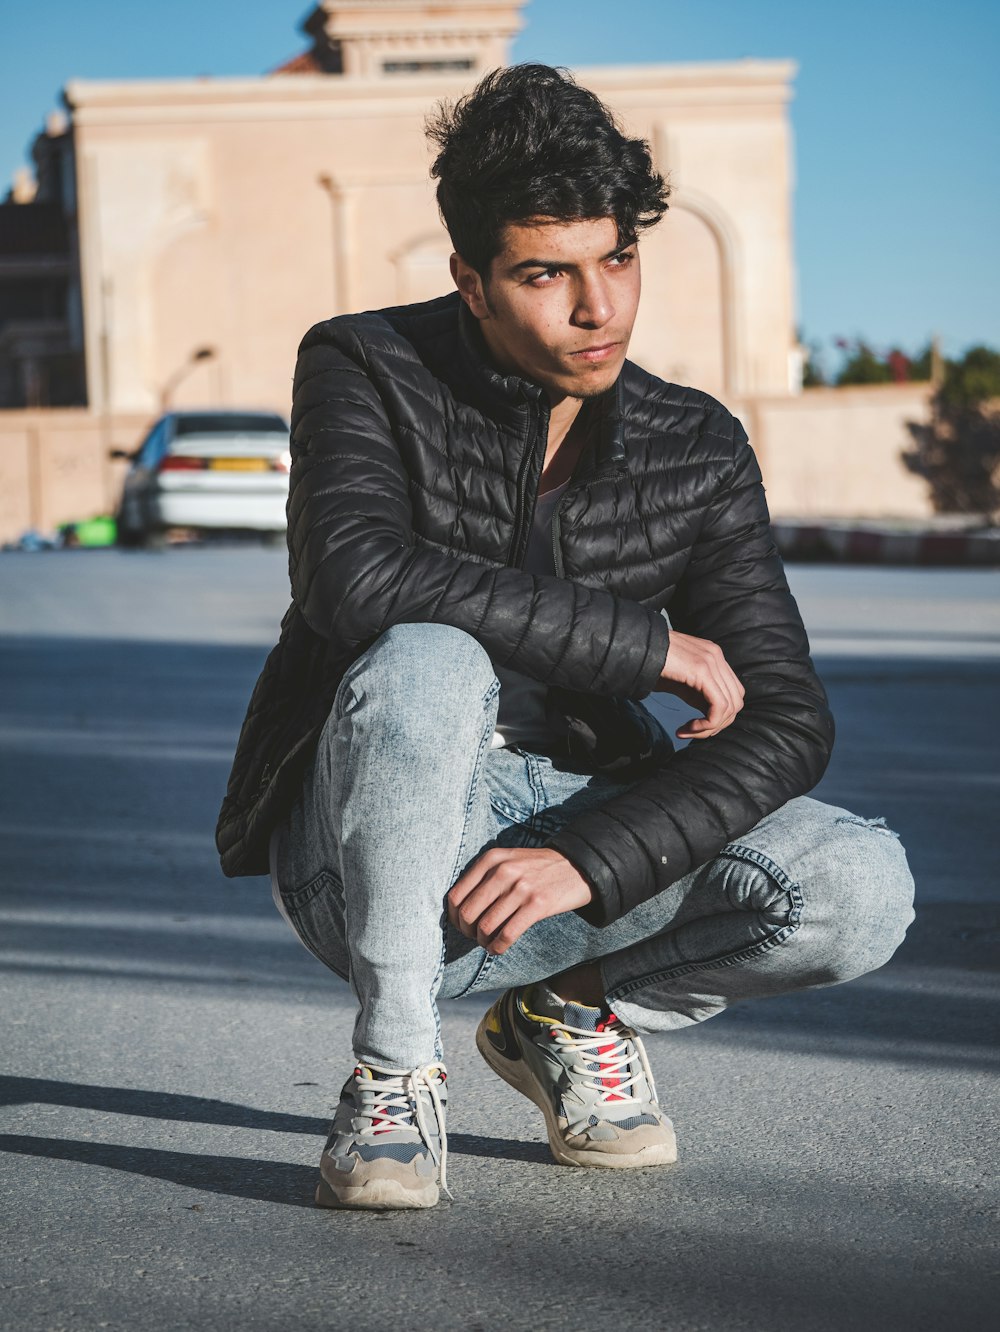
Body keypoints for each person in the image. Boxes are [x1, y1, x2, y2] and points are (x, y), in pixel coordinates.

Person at [216, 63, 915, 1211]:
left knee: (858, 884)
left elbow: (786, 718)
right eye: (547, 274)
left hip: (572, 838)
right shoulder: (364, 365)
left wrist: (591, 859)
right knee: (429, 653)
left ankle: (571, 1009)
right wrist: (646, 646)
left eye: (618, 260)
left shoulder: (695, 443)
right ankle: (394, 1075)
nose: (599, 310)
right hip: (376, 850)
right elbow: (354, 578)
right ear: (473, 281)